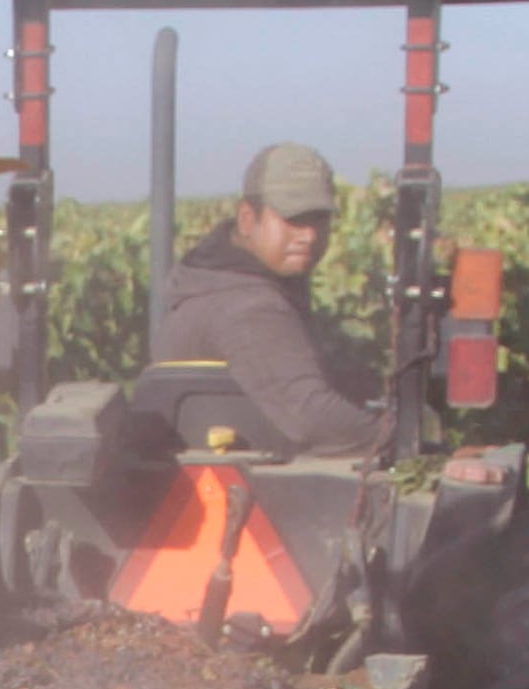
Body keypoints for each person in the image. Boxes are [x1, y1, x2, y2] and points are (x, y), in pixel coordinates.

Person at [161, 141, 379, 457]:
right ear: (248, 219)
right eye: (294, 219)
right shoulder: (248, 309)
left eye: (319, 219)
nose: (309, 236)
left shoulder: (212, 281)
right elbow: (313, 417)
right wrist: (404, 447)